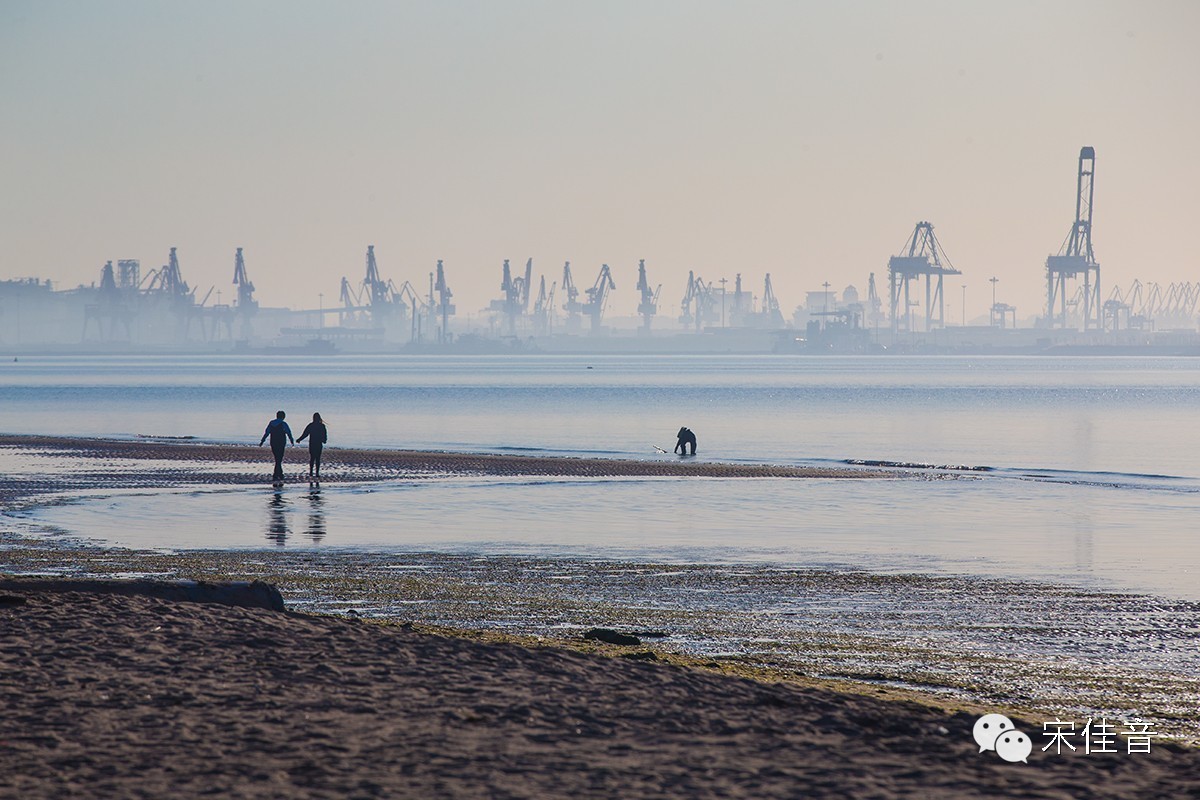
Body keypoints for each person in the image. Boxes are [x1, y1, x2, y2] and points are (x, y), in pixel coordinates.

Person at [258, 410, 294, 483]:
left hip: (273, 442)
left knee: (277, 458)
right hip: (281, 442)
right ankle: (277, 474)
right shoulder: (283, 424)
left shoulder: (271, 423)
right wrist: (291, 440)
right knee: (279, 458)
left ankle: (279, 473)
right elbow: (288, 432)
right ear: (283, 417)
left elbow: (267, 432)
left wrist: (262, 441)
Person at [297, 412, 329, 480]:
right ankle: (317, 473)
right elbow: (324, 434)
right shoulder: (322, 426)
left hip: (312, 444)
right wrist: (324, 440)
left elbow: (305, 434)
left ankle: (311, 472)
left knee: (312, 458)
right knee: (318, 459)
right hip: (318, 444)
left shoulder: (311, 425)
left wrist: (299, 439)